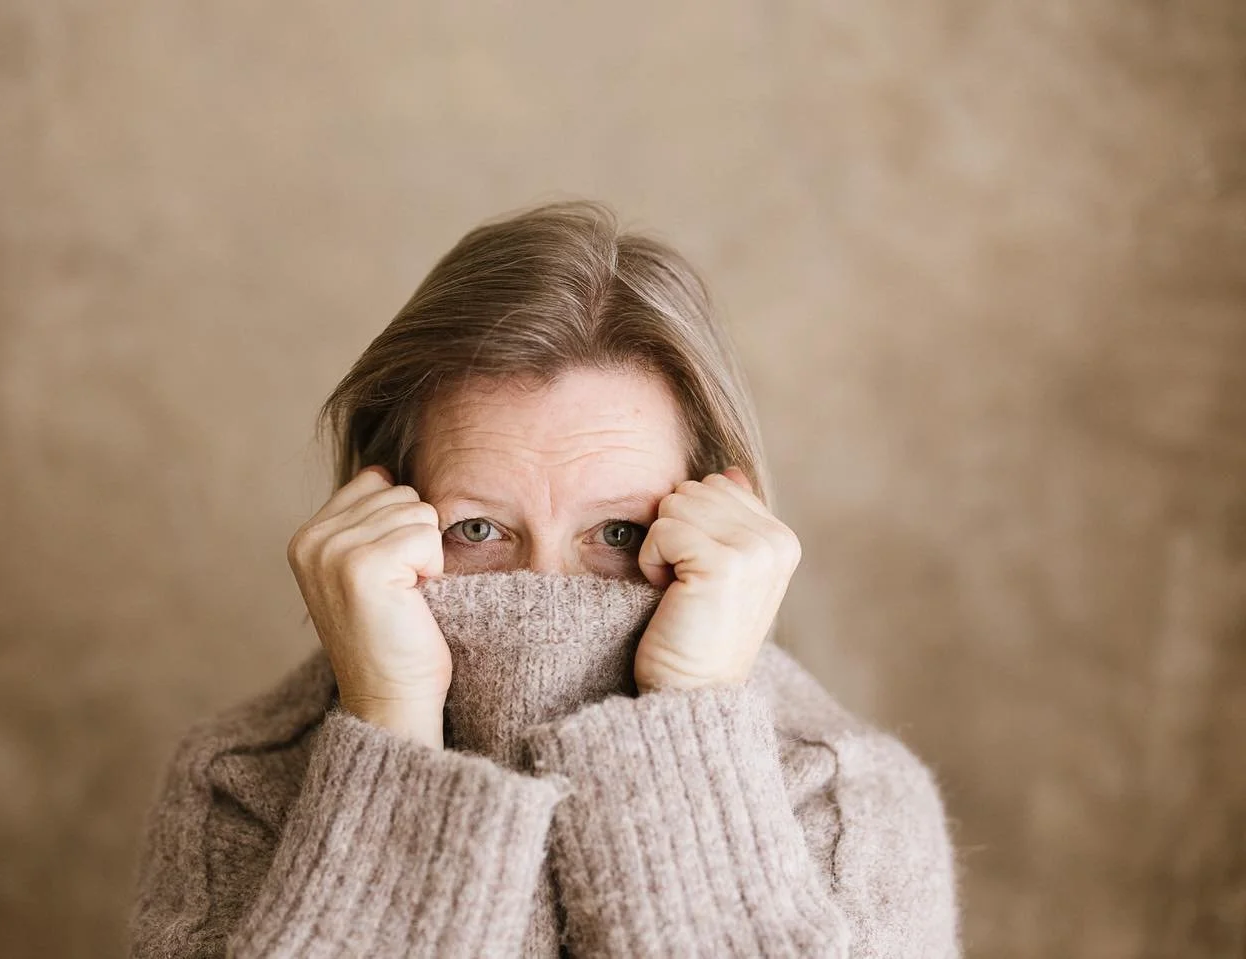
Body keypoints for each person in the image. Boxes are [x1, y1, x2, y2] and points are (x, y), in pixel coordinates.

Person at [129, 201, 960, 958]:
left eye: (619, 532)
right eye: (480, 529)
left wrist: (690, 716)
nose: (543, 588)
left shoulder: (845, 797)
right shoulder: (242, 783)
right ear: (378, 516)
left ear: (723, 528)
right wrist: (390, 726)